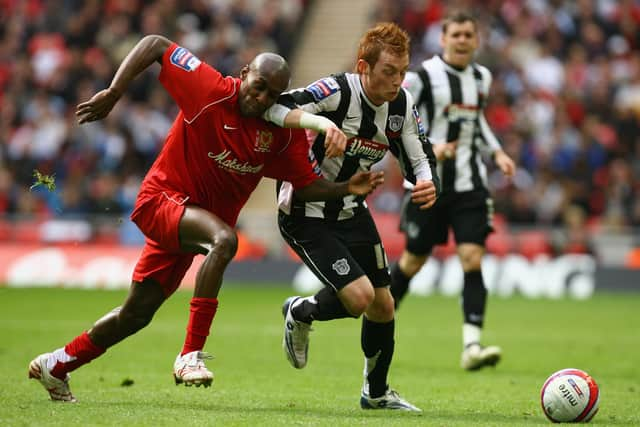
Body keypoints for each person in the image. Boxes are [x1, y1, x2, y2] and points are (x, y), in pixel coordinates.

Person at [27, 34, 385, 402]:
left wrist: (345, 188)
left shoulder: (280, 135)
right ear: (245, 74)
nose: (261, 99)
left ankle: (57, 364)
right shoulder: (209, 89)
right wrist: (115, 92)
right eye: (258, 86)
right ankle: (190, 354)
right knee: (225, 240)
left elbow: (306, 186)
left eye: (272, 95)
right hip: (162, 200)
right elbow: (154, 44)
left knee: (135, 315)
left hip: (191, 222)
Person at [274, 22, 438, 411]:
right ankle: (301, 311)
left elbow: (417, 152)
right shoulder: (335, 91)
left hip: (351, 209)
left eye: (402, 71)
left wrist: (426, 182)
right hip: (305, 210)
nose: (397, 81)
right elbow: (277, 105)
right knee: (361, 297)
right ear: (364, 67)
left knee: (384, 304)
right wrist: (320, 123)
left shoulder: (401, 105)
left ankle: (376, 393)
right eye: (388, 72)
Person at [389, 12, 516, 371]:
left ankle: (471, 345)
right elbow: (401, 120)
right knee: (413, 261)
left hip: (470, 184)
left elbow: (478, 122)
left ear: (476, 41)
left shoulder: (482, 77)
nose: (462, 40)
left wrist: (497, 151)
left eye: (468, 35)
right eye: (455, 34)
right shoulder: (423, 76)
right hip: (429, 184)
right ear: (443, 39)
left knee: (472, 259)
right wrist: (433, 145)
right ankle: (381, 319)